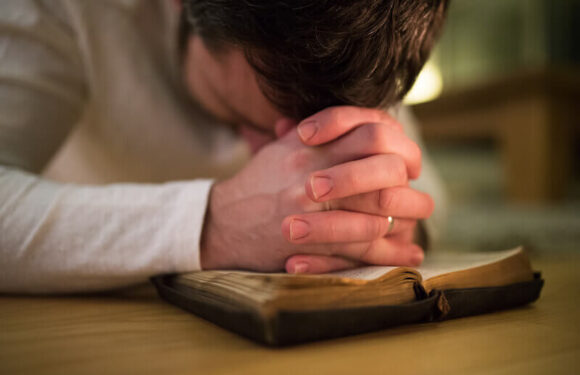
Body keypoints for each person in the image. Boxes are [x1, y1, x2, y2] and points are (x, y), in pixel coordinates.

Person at [0, 0, 448, 293]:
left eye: (322, 134)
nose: (287, 156)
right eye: (240, 115)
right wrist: (213, 224)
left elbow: (429, 194)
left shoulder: (364, 36)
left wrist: (383, 218)